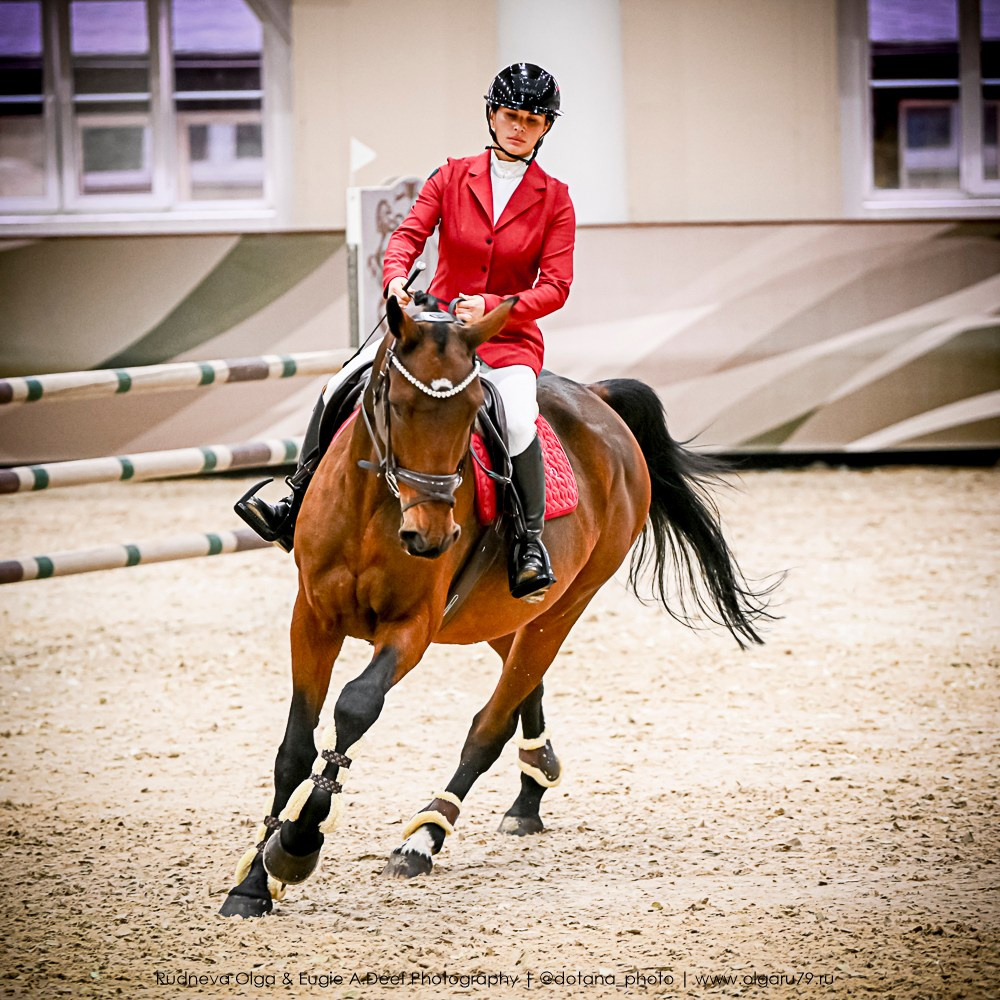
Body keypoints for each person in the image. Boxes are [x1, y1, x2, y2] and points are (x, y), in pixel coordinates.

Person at [236, 62, 575, 602]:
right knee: (339, 384)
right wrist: (396, 280)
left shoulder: (555, 198)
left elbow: (556, 285)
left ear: (545, 128)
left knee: (515, 420)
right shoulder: (450, 177)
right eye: (511, 115)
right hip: (432, 329)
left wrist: (490, 306)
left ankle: (528, 545)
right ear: (492, 115)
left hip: (504, 339)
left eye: (532, 121)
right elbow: (408, 236)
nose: (519, 127)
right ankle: (294, 501)